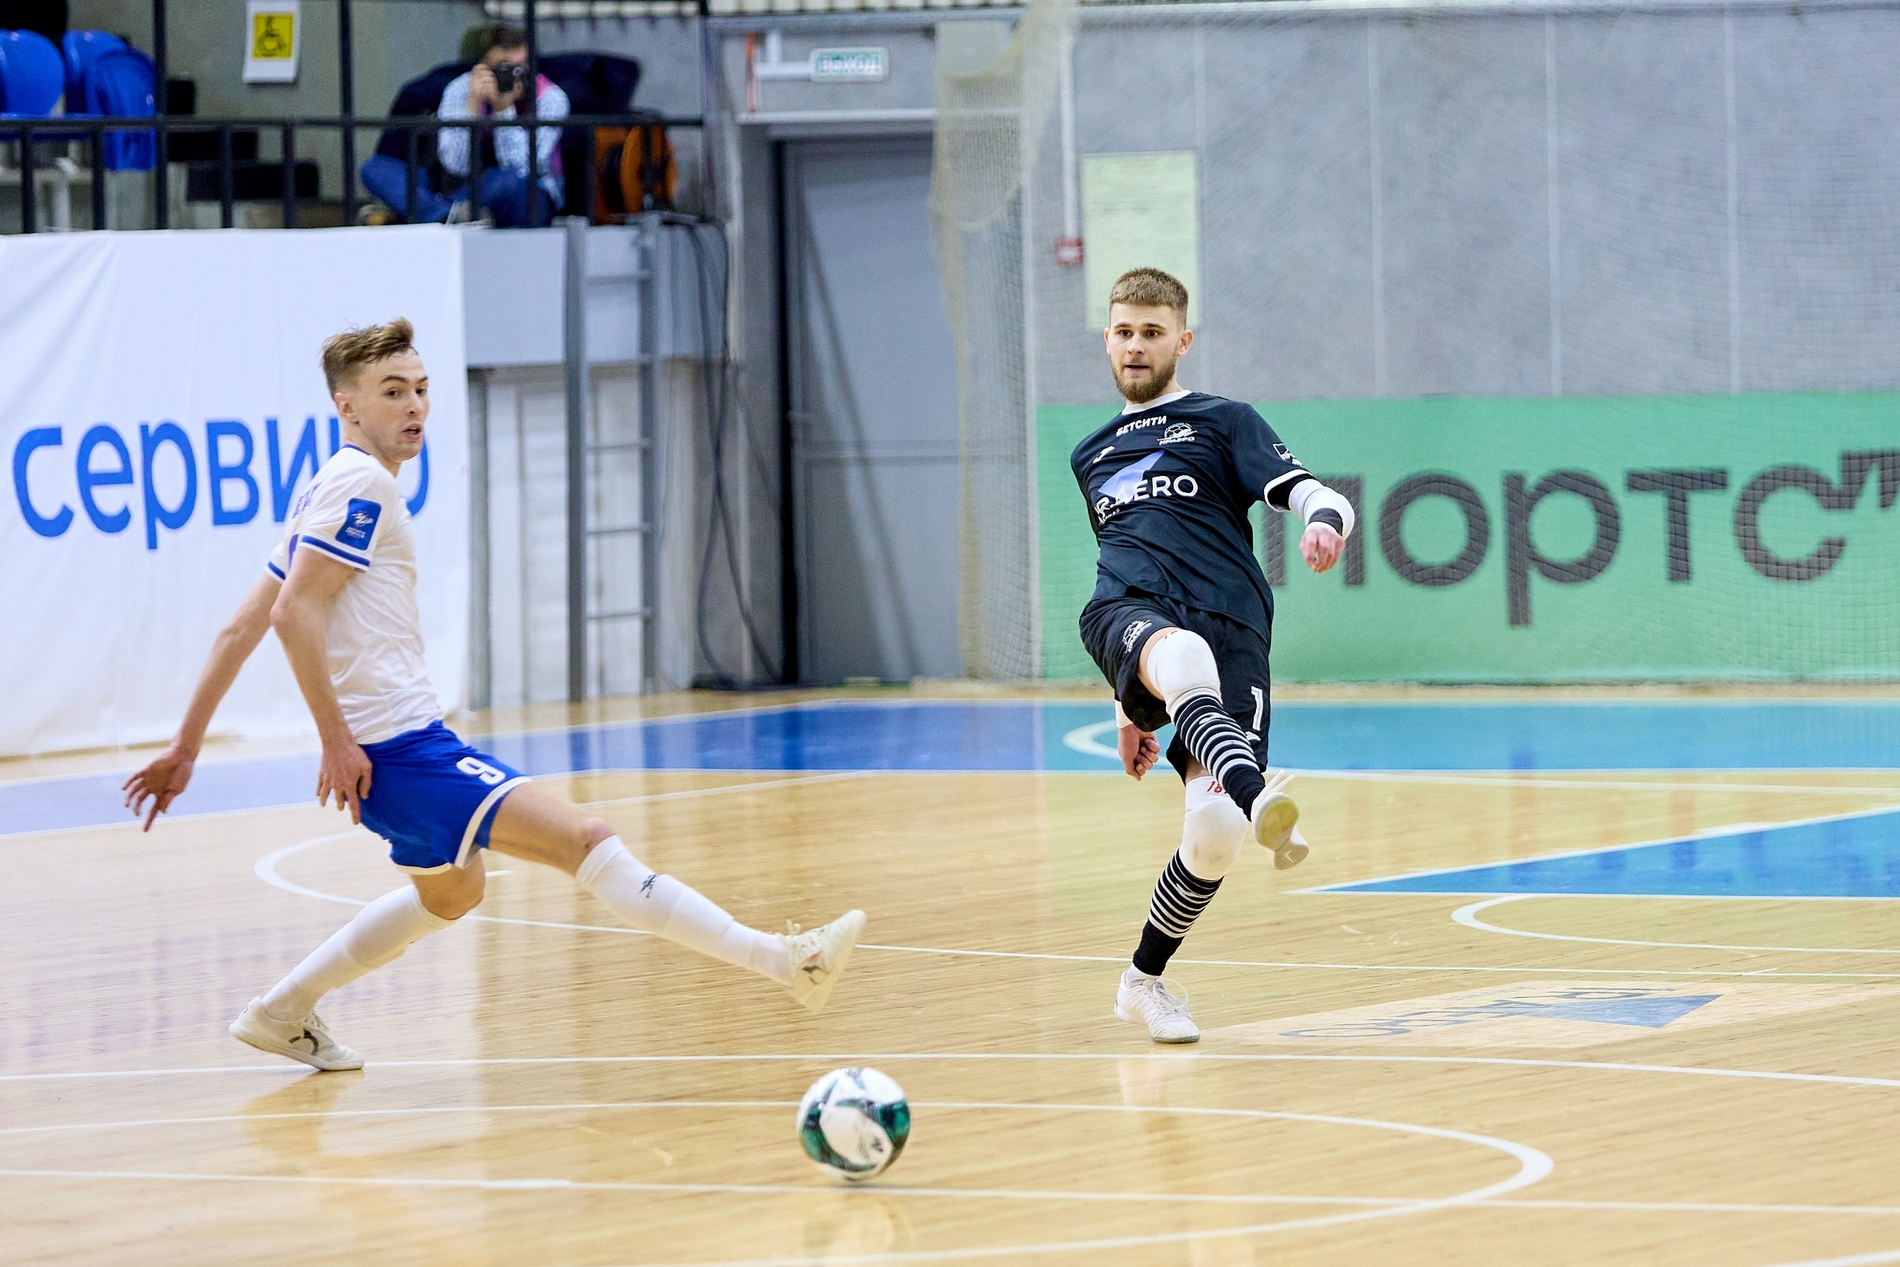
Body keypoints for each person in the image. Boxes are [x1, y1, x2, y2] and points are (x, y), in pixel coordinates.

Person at [123, 319, 864, 1072]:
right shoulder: (362, 483)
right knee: (588, 841)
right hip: (401, 752)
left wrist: (185, 748)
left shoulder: (328, 484)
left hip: (394, 754)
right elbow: (290, 615)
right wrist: (336, 740)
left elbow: (240, 627)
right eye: (392, 392)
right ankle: (787, 961)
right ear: (347, 406)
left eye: (421, 389)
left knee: (453, 895)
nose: (415, 406)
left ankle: (281, 1012)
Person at [1071, 268, 1355, 1044]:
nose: (1136, 345)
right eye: (1123, 331)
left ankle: (1142, 981)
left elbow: (1318, 494)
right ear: (1107, 339)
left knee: (1215, 834)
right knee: (1183, 656)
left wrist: (1325, 523)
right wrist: (1127, 699)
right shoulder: (1090, 455)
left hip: (1234, 631)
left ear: (1182, 340)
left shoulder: (1223, 420)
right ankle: (1263, 799)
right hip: (1129, 614)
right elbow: (1126, 555)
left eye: (1152, 332)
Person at [434, 26, 567, 226]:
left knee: (509, 181)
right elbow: (456, 165)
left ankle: (441, 211)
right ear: (484, 64)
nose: (512, 77)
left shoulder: (550, 98)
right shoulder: (461, 89)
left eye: (519, 68)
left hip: (531, 191)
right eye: (503, 69)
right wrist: (471, 105)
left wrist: (503, 109)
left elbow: (521, 168)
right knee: (383, 170)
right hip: (473, 185)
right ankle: (447, 211)